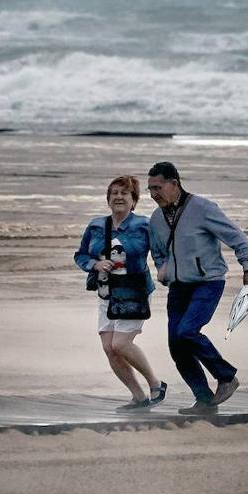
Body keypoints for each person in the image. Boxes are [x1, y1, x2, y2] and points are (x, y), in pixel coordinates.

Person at [146, 161, 248, 415]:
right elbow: (158, 252)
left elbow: (235, 236)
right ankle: (204, 399)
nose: (153, 194)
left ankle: (226, 376)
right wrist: (163, 268)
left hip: (208, 282)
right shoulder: (155, 219)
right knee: (176, 344)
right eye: (150, 189)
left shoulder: (202, 208)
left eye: (158, 187)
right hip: (178, 287)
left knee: (187, 331)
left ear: (174, 184)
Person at [74, 175, 167, 411]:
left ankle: (156, 384)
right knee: (109, 348)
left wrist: (166, 272)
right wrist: (94, 264)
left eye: (124, 193)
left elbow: (160, 254)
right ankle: (138, 397)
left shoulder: (144, 225)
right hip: (106, 293)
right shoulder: (96, 225)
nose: (118, 197)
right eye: (114, 193)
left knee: (121, 344)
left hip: (134, 292)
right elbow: (81, 255)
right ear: (108, 199)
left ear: (133, 200)